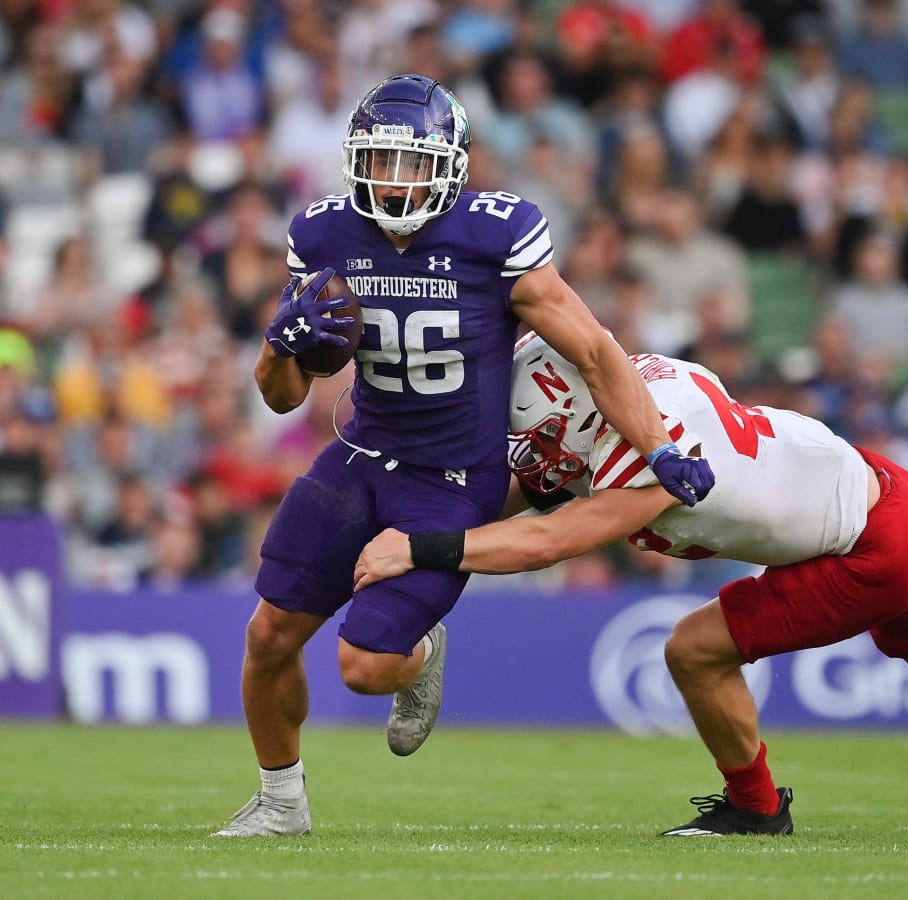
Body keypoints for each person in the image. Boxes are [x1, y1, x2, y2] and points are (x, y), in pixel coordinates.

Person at [354, 333, 908, 837]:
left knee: (692, 651)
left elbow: (549, 537)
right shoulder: (636, 392)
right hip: (879, 496)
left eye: (528, 432)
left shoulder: (659, 465)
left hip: (863, 546)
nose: (523, 449)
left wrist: (421, 548)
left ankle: (756, 807)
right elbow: (546, 481)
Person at [212, 74, 715, 838]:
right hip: (360, 451)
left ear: (450, 165)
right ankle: (281, 803)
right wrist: (283, 344)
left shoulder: (496, 233)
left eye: (411, 164)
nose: (393, 180)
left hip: (451, 479)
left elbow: (592, 350)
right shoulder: (322, 234)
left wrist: (660, 444)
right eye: (379, 161)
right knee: (267, 634)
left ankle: (418, 654)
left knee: (365, 665)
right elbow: (283, 395)